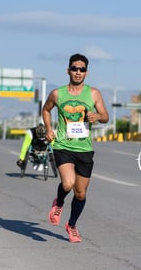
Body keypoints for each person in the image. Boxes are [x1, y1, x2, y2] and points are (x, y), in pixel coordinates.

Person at [42, 53, 109, 243]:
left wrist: (98, 116)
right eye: (74, 68)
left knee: (80, 193)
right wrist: (48, 129)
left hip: (84, 148)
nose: (78, 72)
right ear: (68, 70)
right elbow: (46, 109)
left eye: (82, 69)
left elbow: (105, 116)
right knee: (67, 183)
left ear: (86, 73)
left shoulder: (94, 93)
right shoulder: (57, 93)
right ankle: (59, 202)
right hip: (63, 144)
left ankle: (71, 225)